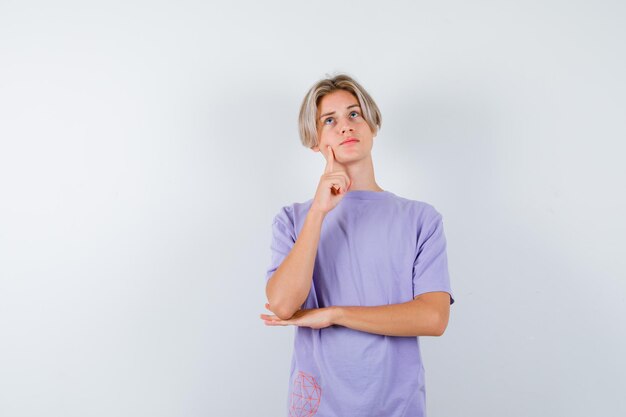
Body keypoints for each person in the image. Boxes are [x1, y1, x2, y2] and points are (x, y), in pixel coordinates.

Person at [260, 73, 455, 417]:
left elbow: (434, 317)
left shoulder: (420, 219)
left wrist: (335, 315)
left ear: (372, 125)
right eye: (330, 120)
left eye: (354, 114)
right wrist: (319, 211)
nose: (346, 127)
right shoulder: (292, 220)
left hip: (396, 406)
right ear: (315, 141)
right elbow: (283, 305)